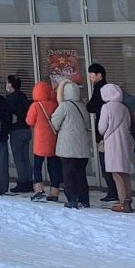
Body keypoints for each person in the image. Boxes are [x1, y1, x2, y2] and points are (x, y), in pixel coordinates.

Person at [51, 79, 93, 208]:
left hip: (67, 146)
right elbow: (87, 124)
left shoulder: (64, 106)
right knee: (81, 173)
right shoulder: (82, 106)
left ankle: (72, 199)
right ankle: (84, 199)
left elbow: (54, 123)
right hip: (82, 146)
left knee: (68, 173)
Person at [97, 83, 135, 212]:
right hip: (124, 141)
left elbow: (102, 128)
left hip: (112, 142)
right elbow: (129, 124)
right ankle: (128, 199)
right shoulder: (124, 108)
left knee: (116, 173)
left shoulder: (106, 107)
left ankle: (122, 201)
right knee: (124, 173)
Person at [86, 64, 117, 202]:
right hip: (114, 133)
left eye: (92, 74)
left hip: (104, 131)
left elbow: (91, 106)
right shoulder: (117, 104)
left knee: (105, 161)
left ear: (99, 75)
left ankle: (113, 191)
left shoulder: (100, 89)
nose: (90, 77)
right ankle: (116, 190)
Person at [26, 80, 61, 202]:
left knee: (37, 165)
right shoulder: (54, 104)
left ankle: (39, 188)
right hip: (53, 139)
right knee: (54, 166)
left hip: (40, 140)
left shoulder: (35, 106)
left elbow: (29, 121)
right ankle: (55, 190)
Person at [4, 75, 33, 194]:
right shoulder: (23, 97)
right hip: (26, 129)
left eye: (7, 83)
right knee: (25, 157)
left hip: (16, 131)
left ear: (10, 85)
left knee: (19, 158)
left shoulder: (10, 99)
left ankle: (22, 182)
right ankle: (29, 181)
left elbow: (8, 116)